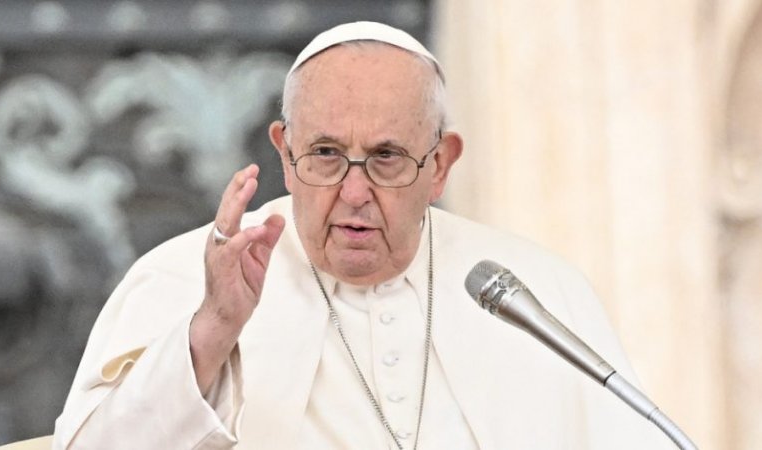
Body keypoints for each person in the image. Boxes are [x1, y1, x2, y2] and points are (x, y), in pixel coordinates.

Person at [53, 21, 674, 449]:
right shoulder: (184, 279)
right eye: (324, 154)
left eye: (387, 157)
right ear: (284, 151)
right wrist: (211, 332)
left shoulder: (534, 292)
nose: (353, 193)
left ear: (440, 165)